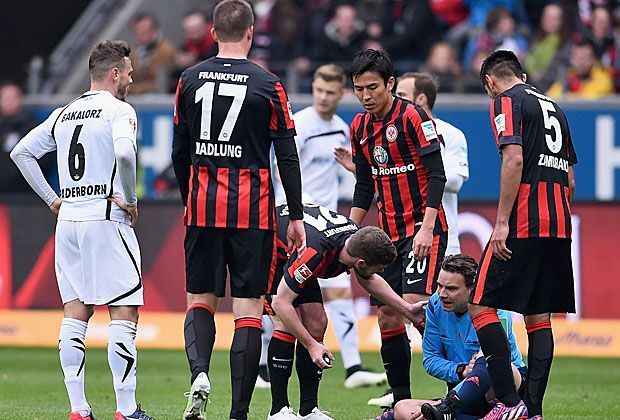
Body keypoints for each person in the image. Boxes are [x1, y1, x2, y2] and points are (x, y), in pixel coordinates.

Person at [171, 1, 306, 419]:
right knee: (247, 307)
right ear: (250, 32)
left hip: (203, 205)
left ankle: (198, 373)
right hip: (253, 211)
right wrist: (296, 214)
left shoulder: (189, 79)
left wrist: (188, 198)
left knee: (199, 298)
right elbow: (287, 155)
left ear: (213, 32)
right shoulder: (269, 84)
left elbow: (180, 151)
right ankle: (239, 413)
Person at [10, 40, 153, 420]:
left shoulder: (64, 113)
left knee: (76, 311)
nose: (132, 77)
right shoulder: (119, 110)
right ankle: (126, 409)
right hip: (106, 216)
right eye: (129, 70)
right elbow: (124, 153)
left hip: (69, 219)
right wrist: (130, 198)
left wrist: (52, 199)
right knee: (124, 311)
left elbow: (20, 153)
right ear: (115, 74)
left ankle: (78, 409)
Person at [469, 50, 578, 419]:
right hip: (558, 221)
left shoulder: (505, 100)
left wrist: (502, 222)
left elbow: (513, 158)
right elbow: (571, 178)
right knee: (538, 316)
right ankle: (533, 411)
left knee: (480, 303)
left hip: (524, 221)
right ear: (523, 73)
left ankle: (508, 403)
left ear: (490, 81)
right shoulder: (554, 107)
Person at [271, 63, 386, 390]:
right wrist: (297, 209)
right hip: (297, 221)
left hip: (326, 221)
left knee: (332, 297)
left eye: (330, 92)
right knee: (285, 298)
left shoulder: (341, 128)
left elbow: (349, 177)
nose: (322, 97)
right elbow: (284, 168)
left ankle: (351, 367)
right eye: (318, 90)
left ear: (341, 94)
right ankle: (270, 371)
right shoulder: (302, 124)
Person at [347, 49, 448, 413]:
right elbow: (363, 186)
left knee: (417, 308)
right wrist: (350, 233)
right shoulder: (359, 126)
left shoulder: (413, 117)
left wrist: (428, 227)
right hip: (385, 239)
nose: (366, 95)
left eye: (372, 87)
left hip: (423, 230)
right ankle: (402, 402)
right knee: (388, 314)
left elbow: (438, 175)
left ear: (390, 83)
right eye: (359, 89)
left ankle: (465, 389)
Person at [266, 204, 427, 420]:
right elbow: (282, 304)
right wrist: (311, 345)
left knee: (316, 322)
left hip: (297, 252)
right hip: (269, 251)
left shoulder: (353, 238)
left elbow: (368, 277)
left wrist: (406, 309)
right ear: (360, 262)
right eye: (378, 268)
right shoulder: (315, 254)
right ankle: (278, 410)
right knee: (285, 322)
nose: (378, 274)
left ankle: (308, 411)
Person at [387, 254, 526, 420]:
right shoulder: (435, 305)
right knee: (402, 407)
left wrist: (470, 374)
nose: (442, 294)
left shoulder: (493, 309)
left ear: (471, 289)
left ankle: (450, 407)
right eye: (439, 286)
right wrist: (461, 370)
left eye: (451, 289)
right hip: (463, 395)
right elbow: (430, 360)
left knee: (489, 359)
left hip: (506, 390)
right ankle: (451, 411)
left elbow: (497, 362)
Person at [395, 72, 469, 256]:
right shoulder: (393, 135)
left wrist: (419, 172)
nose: (395, 101)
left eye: (401, 95)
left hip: (442, 237)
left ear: (420, 99)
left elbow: (454, 182)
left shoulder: (450, 134)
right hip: (401, 236)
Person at [0, 82, 40, 193]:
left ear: (20, 99)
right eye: (5, 98)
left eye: (12, 98)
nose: (9, 102)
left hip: (26, 192)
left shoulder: (33, 127)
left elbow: (43, 159)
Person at [547, 39, 613, 99]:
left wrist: (567, 95)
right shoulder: (566, 76)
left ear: (594, 59)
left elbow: (588, 100)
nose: (581, 62)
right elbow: (551, 97)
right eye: (578, 58)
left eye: (585, 58)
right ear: (571, 59)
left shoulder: (603, 79)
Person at [130, 12, 176, 94]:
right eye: (138, 32)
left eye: (144, 31)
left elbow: (161, 83)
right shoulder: (133, 52)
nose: (141, 35)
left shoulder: (165, 50)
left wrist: (135, 89)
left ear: (154, 30)